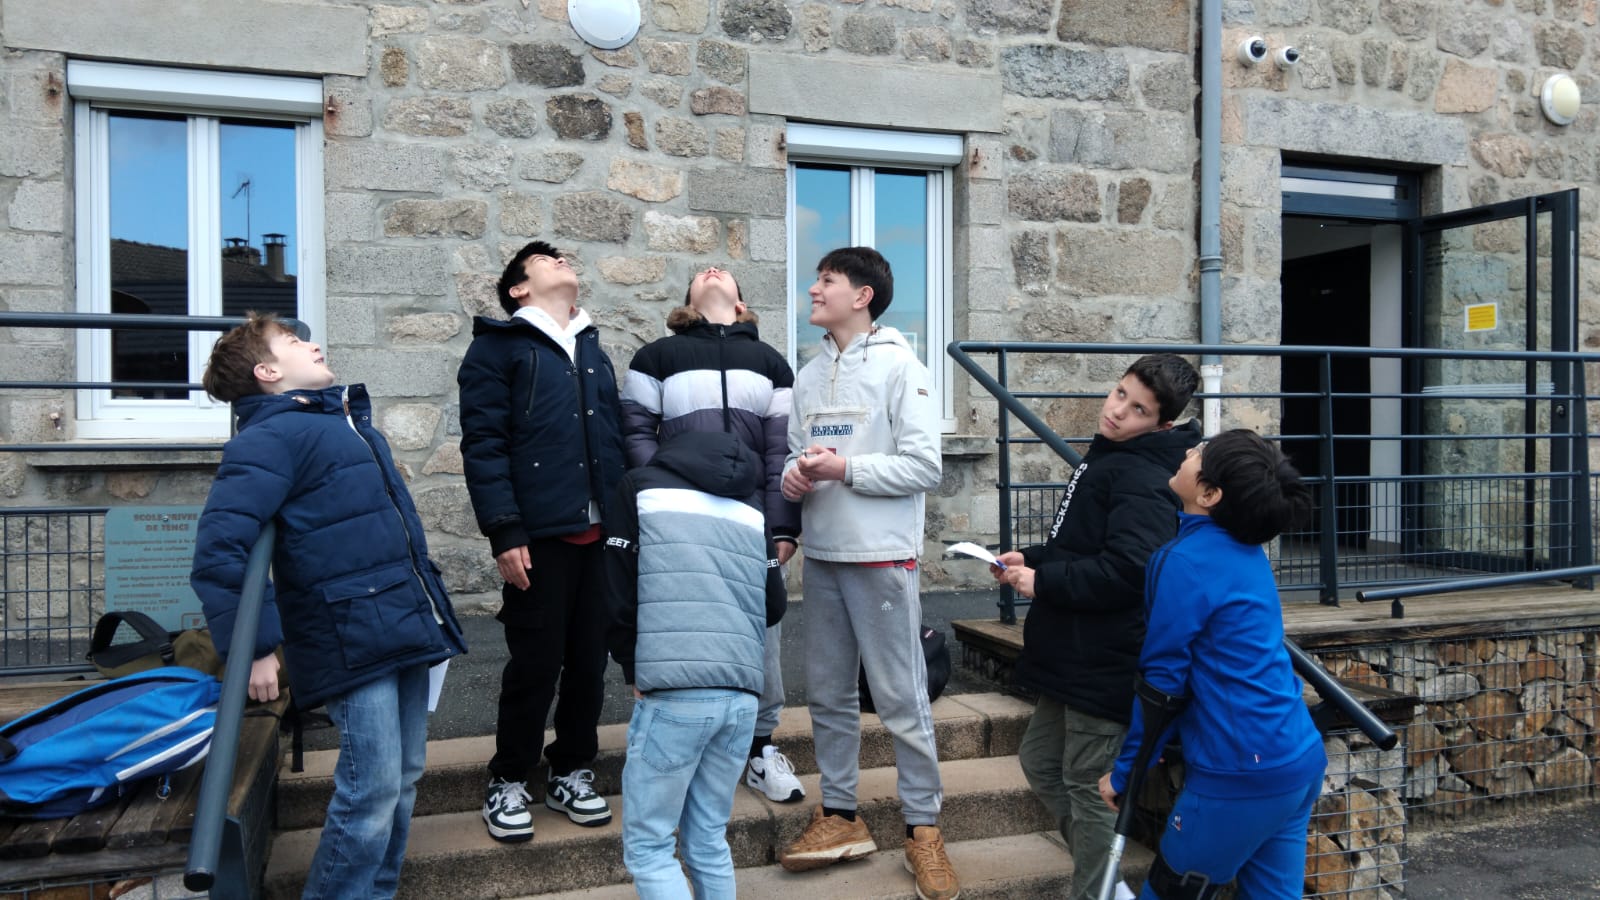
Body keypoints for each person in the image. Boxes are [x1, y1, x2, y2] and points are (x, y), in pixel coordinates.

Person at [190, 313, 466, 900]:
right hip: (347, 634)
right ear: (267, 372)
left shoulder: (345, 423)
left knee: (403, 779)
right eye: (293, 342)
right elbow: (219, 549)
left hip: (402, 618)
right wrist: (257, 646)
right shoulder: (268, 439)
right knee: (370, 790)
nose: (312, 344)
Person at [776, 247, 958, 900]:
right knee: (828, 696)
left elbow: (925, 467)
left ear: (862, 296)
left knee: (902, 698)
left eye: (826, 280)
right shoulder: (807, 374)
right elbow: (796, 455)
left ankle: (923, 829)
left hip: (882, 558)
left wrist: (843, 468)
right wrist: (795, 477)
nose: (813, 288)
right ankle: (840, 816)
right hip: (823, 557)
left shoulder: (903, 367)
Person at [992, 353, 1201, 900]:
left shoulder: (1143, 475)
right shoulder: (1113, 455)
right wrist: (1032, 558)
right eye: (1120, 393)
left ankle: (1098, 890)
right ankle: (1108, 885)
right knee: (1040, 763)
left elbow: (1130, 571)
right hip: (1072, 656)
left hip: (1105, 659)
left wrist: (1044, 582)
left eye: (1138, 409)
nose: (1118, 411)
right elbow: (1085, 544)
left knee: (1089, 789)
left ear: (1163, 424)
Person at [1098, 429, 1322, 900]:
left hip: (1239, 773)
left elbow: (1162, 683)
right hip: (1297, 757)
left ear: (1209, 494)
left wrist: (1127, 773)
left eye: (1199, 453)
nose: (1187, 451)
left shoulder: (1182, 561)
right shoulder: (1248, 552)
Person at [457, 240, 626, 842]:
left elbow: (616, 440)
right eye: (545, 258)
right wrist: (505, 530)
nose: (562, 260)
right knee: (535, 663)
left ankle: (571, 770)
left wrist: (625, 525)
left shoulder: (592, 350)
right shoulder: (496, 348)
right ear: (519, 288)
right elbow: (484, 445)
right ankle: (508, 777)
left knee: (589, 665)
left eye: (563, 257)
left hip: (600, 538)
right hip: (538, 538)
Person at [619, 265, 805, 805]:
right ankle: (672, 747)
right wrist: (663, 495)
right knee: (675, 622)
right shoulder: (655, 357)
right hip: (677, 517)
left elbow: (780, 449)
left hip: (749, 519)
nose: (713, 270)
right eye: (701, 274)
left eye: (725, 274)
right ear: (688, 301)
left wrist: (783, 524)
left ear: (741, 304)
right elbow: (634, 431)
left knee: (761, 629)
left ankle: (760, 748)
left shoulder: (770, 362)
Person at [603, 430, 787, 899]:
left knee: (649, 847)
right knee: (707, 838)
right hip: (742, 694)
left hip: (673, 689)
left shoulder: (640, 488)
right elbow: (774, 604)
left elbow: (617, 591)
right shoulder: (752, 506)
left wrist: (631, 664)